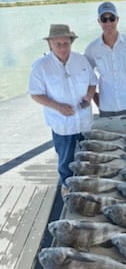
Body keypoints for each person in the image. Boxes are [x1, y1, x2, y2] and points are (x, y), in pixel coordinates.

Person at [29, 24, 98, 195]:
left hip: (84, 121)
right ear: (50, 44)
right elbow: (35, 94)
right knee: (65, 160)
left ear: (71, 42)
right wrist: (57, 107)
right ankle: (68, 188)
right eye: (58, 44)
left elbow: (92, 83)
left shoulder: (81, 60)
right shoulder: (40, 66)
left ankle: (87, 184)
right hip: (62, 124)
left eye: (66, 43)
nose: (62, 48)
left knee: (88, 155)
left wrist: (89, 97)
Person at [84, 1, 126, 118]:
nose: (108, 22)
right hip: (105, 106)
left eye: (112, 18)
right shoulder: (92, 48)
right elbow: (86, 76)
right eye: (104, 19)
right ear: (99, 22)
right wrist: (94, 97)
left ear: (117, 19)